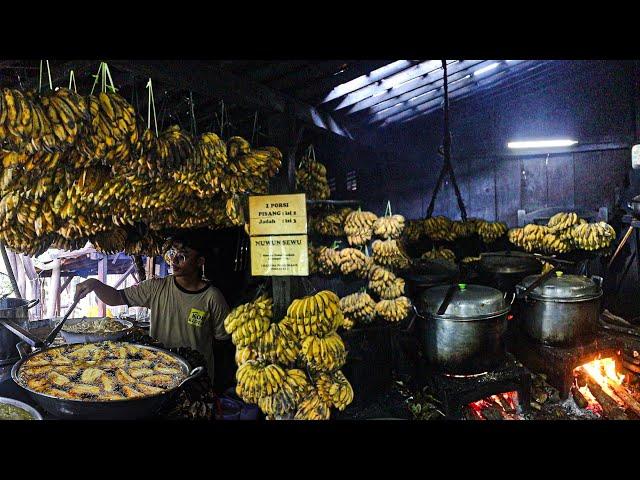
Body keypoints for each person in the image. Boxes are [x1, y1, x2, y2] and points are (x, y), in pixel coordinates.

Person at [74, 235, 231, 383]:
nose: (174, 260)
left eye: (183, 256)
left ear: (200, 261)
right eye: (172, 253)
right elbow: (116, 298)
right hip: (158, 373)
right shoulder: (156, 287)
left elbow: (222, 342)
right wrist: (94, 284)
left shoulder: (213, 298)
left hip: (195, 377)